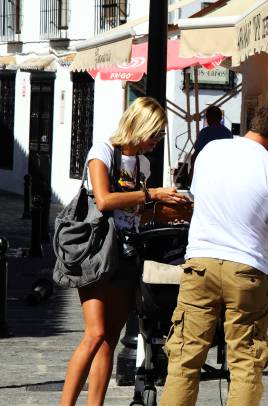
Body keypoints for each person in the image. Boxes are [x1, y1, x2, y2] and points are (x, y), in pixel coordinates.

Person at [160, 104, 268, 406]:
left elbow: (198, 196)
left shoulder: (210, 151)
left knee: (185, 359)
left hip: (200, 262)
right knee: (246, 363)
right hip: (246, 269)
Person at [60, 97, 188, 406]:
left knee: (110, 340)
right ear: (140, 127)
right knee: (94, 334)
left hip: (127, 251)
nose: (157, 142)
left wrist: (163, 207)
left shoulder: (141, 164)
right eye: (155, 134)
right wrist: (152, 193)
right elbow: (103, 200)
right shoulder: (102, 152)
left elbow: (136, 212)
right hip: (97, 250)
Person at [190, 105, 232, 173]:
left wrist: (192, 170)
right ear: (221, 118)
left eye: (207, 117)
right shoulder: (228, 133)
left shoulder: (205, 132)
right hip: (223, 170)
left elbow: (196, 154)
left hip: (206, 170)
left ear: (208, 118)